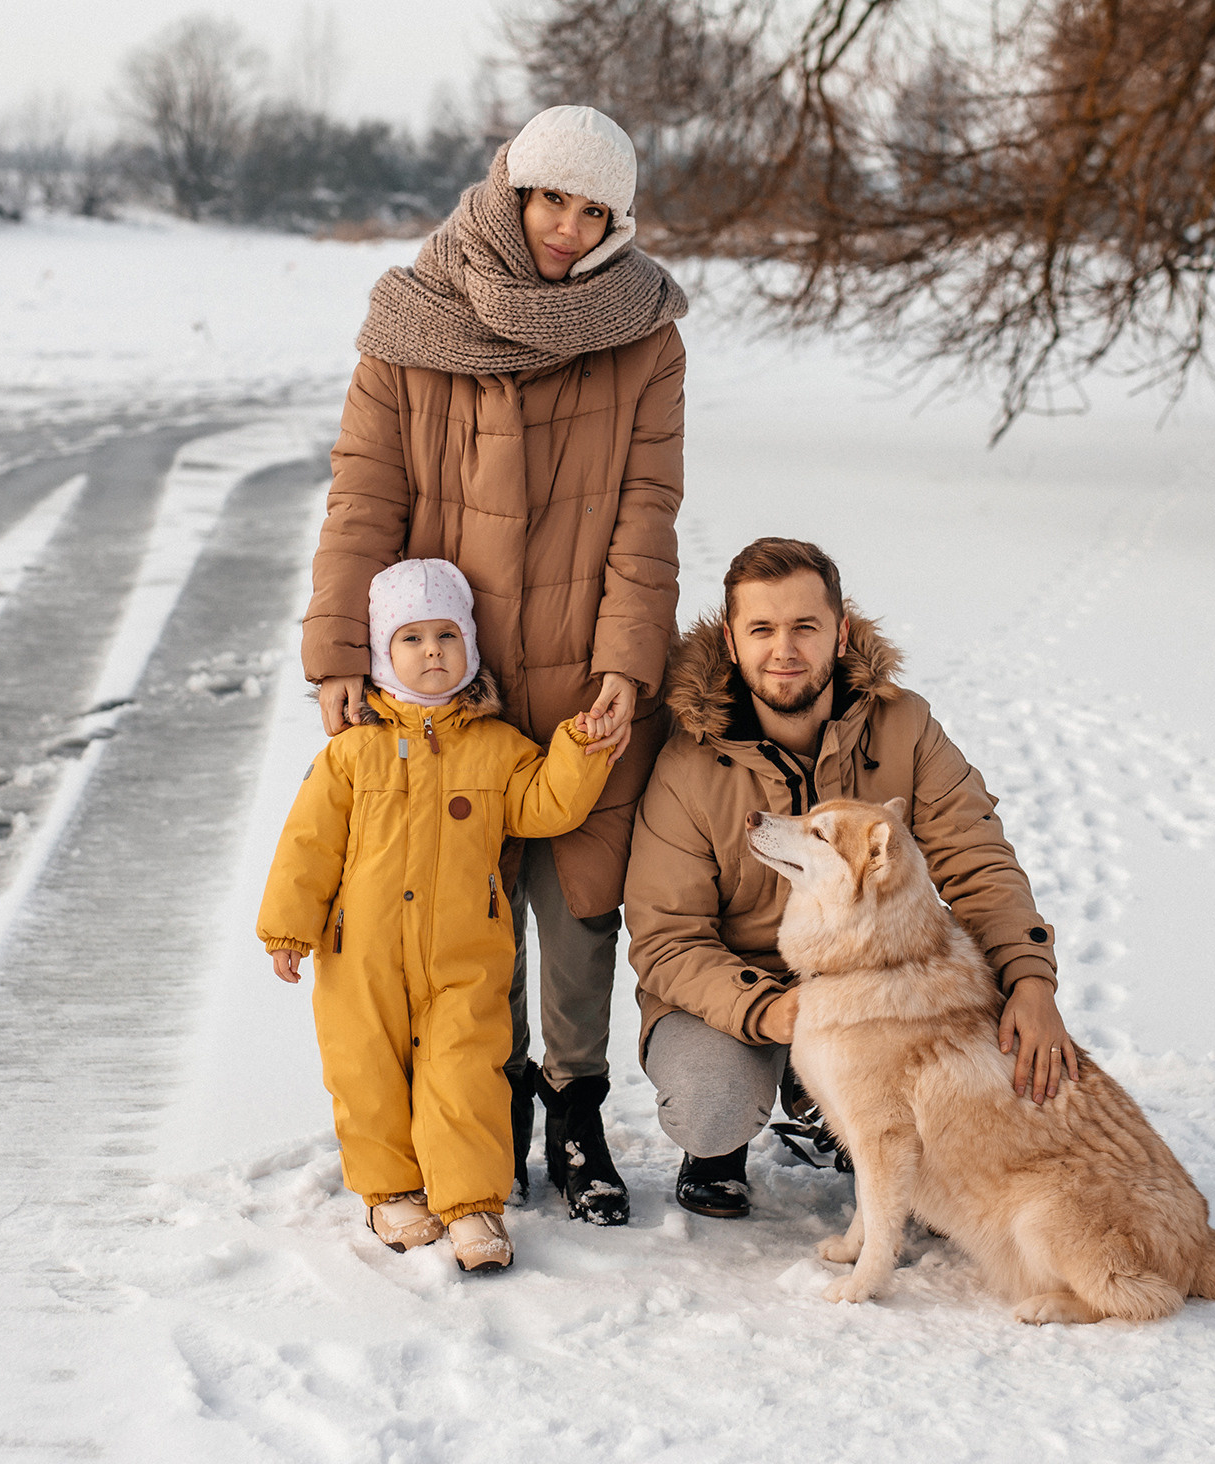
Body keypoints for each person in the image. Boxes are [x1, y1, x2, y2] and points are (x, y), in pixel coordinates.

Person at [302, 104, 688, 1225]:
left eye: (594, 210)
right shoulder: (410, 318)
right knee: (451, 903)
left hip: (577, 674)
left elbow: (645, 511)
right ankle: (485, 1099)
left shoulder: (643, 334)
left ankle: (574, 1107)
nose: (568, 227)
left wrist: (627, 658)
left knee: (574, 907)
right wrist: (338, 651)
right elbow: (364, 496)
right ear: (509, 189)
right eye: (552, 199)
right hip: (439, 675)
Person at [624, 538, 1079, 1218]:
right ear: (732, 639)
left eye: (805, 627)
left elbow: (978, 861)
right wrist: (775, 1012)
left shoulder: (905, 727)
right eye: (762, 629)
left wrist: (1031, 979)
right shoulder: (689, 763)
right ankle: (718, 1150)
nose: (785, 650)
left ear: (839, 632)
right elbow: (666, 939)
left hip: (877, 981)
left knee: (990, 1061)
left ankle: (840, 1112)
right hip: (740, 985)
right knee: (709, 1104)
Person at [260, 560, 617, 1273]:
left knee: (466, 1072)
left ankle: (471, 1204)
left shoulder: (497, 747)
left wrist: (578, 750)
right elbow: (308, 843)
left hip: (463, 955)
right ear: (381, 653)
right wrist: (287, 928)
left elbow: (546, 804)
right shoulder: (352, 753)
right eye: (411, 637)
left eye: (446, 635)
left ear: (470, 648)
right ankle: (389, 1191)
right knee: (366, 1072)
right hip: (359, 954)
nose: (431, 651)